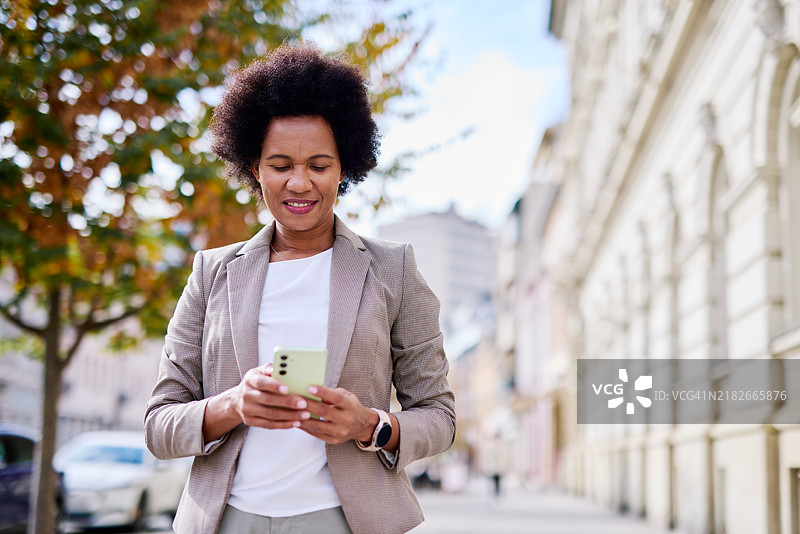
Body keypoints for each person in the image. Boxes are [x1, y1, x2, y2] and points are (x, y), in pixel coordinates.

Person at [144, 42, 456, 534]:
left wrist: (369, 424)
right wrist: (232, 405)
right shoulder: (211, 272)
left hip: (345, 520)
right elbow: (159, 426)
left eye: (319, 165)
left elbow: (438, 416)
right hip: (226, 518)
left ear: (344, 169)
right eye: (281, 164)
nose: (299, 183)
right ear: (254, 169)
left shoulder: (392, 269)